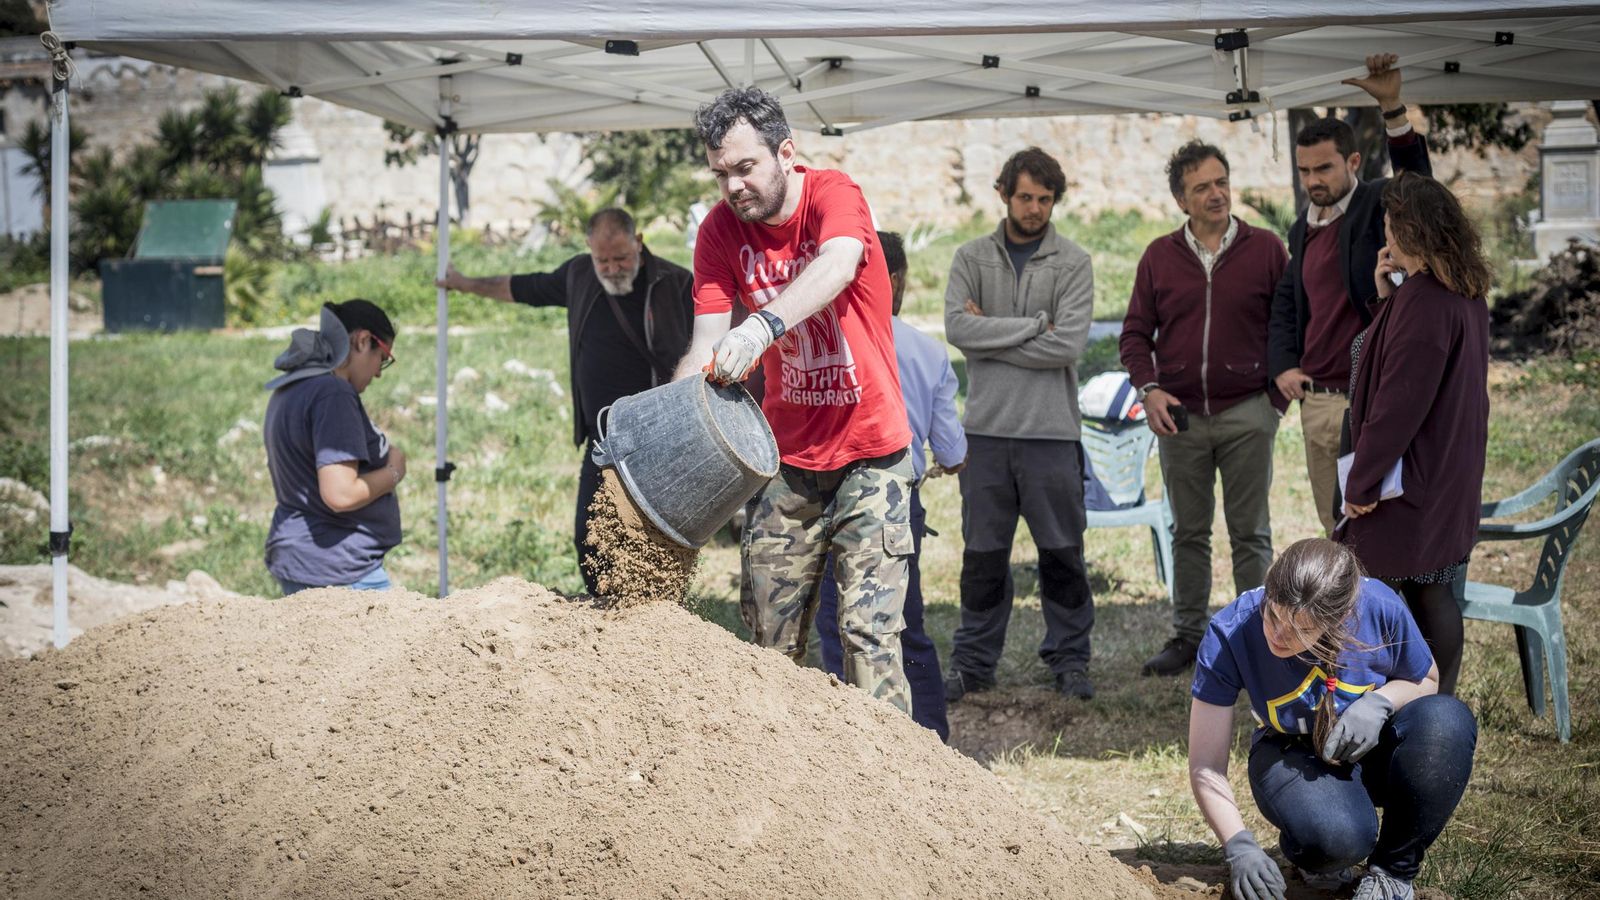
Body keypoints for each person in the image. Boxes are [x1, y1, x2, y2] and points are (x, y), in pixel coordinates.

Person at [673, 87, 917, 714]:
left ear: (786, 152)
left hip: (872, 454)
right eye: (720, 173)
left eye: (746, 168)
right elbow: (704, 347)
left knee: (868, 637)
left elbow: (839, 262)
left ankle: (893, 793)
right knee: (765, 640)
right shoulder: (719, 231)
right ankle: (773, 793)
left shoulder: (835, 194)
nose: (732, 187)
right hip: (788, 460)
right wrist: (667, 429)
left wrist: (760, 327)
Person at [1189, 538, 1476, 900]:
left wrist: (1381, 703)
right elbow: (1206, 765)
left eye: (1300, 631)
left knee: (1447, 720)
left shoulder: (1377, 606)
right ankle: (1316, 849)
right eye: (1273, 615)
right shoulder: (1230, 630)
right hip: (1293, 752)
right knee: (1337, 841)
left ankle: (1392, 873)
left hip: (1374, 747)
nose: (1277, 635)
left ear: (1340, 618)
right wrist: (1238, 844)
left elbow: (1427, 679)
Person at [437, 209, 694, 594]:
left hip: (657, 440)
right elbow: (523, 288)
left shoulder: (675, 283)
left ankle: (655, 620)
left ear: (639, 242)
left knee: (653, 539)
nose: (611, 268)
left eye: (621, 258)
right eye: (602, 260)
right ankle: (606, 611)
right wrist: (465, 284)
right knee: (589, 537)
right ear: (589, 250)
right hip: (603, 440)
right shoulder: (579, 275)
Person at [1120, 141, 1288, 677]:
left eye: (1222, 182)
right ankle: (1188, 637)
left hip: (1248, 413)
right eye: (1202, 188)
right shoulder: (1158, 256)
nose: (1216, 194)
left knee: (1250, 533)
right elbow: (1133, 334)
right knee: (1188, 533)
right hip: (1181, 418)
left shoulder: (1265, 249)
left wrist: (1274, 403)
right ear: (1181, 200)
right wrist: (1149, 390)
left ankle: (1260, 641)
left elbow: (1289, 326)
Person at [941, 147, 1097, 702]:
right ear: (1003, 192)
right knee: (982, 558)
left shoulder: (1074, 262)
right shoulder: (969, 257)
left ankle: (1071, 661)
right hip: (984, 433)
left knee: (1062, 556)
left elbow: (1068, 346)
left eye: (1045, 199)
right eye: (1026, 196)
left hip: (1052, 434)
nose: (1035, 208)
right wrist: (1033, 326)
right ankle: (974, 663)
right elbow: (959, 330)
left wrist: (997, 337)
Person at [1335, 172, 1492, 697]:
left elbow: (1399, 401)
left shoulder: (1428, 300)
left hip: (1416, 471)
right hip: (1446, 465)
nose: (1386, 236)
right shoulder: (1458, 292)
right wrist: (1387, 299)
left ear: (1413, 230)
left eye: (1390, 224)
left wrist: (1361, 482)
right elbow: (1396, 361)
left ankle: (1429, 704)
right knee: (1431, 586)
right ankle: (1427, 700)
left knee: (1419, 591)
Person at [1267, 53, 1432, 536]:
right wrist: (1282, 363)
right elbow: (1287, 302)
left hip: (1368, 401)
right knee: (1334, 531)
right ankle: (1343, 614)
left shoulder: (1376, 205)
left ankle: (1378, 615)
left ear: (1353, 162)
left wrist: (1394, 109)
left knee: (1374, 530)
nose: (1313, 181)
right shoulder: (1302, 228)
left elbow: (1419, 185)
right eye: (1304, 171)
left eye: (1324, 168)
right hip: (1317, 404)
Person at [814, 230, 967, 741]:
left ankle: (855, 739)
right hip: (901, 503)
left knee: (840, 623)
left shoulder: (829, 341)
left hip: (833, 494)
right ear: (895, 281)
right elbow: (953, 451)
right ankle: (930, 739)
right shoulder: (927, 352)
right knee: (904, 622)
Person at [263, 300, 406, 595]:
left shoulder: (295, 386)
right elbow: (341, 494)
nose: (379, 373)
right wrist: (395, 470)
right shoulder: (333, 393)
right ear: (363, 341)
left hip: (306, 558)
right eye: (384, 358)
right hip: (340, 567)